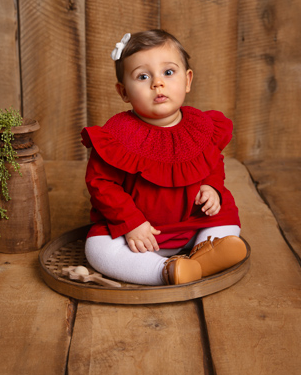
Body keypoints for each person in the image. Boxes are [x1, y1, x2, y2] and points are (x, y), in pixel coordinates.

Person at [81, 30, 246, 285]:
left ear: (188, 80)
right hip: (140, 234)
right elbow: (101, 184)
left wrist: (211, 186)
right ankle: (164, 270)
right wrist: (131, 223)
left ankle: (204, 253)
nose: (157, 83)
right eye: (143, 76)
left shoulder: (201, 125)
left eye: (168, 72)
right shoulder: (116, 135)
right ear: (123, 92)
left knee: (225, 216)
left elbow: (213, 160)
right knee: (98, 250)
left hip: (194, 220)